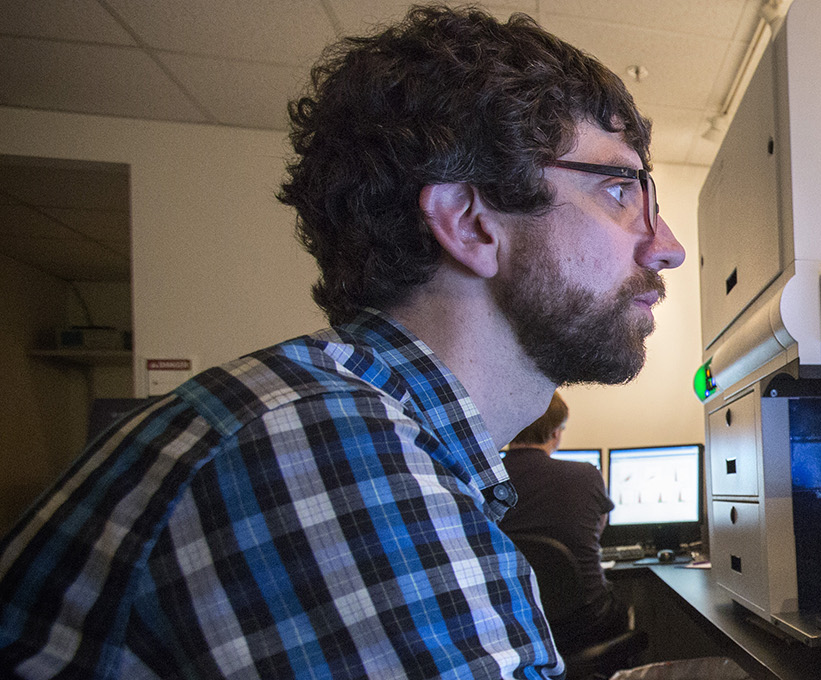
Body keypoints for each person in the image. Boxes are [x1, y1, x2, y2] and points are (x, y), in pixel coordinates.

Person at [0, 6, 683, 678]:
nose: (669, 247)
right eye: (619, 188)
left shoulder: (364, 430)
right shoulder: (322, 445)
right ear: (470, 224)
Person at [496, 394, 628, 649]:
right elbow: (596, 530)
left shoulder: (483, 480)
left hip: (515, 623)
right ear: (556, 433)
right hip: (587, 620)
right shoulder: (586, 475)